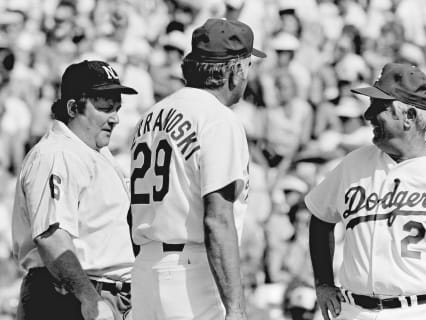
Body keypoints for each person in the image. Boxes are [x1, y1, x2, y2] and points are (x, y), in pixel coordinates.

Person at [305, 63, 426, 320]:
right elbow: (320, 218)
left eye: (379, 108)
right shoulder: (353, 164)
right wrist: (323, 283)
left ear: (408, 116)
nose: (368, 115)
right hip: (355, 310)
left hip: (422, 310)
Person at [129, 18, 266, 320]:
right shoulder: (218, 119)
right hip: (192, 273)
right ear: (234, 70)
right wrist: (236, 308)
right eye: (247, 66)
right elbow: (218, 220)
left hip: (144, 268)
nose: (247, 75)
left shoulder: (150, 116)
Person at [11, 60, 138, 320]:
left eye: (116, 108)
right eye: (104, 107)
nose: (114, 118)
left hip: (96, 294)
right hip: (65, 297)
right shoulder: (57, 153)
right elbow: (52, 236)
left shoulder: (92, 150)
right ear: (72, 107)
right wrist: (89, 297)